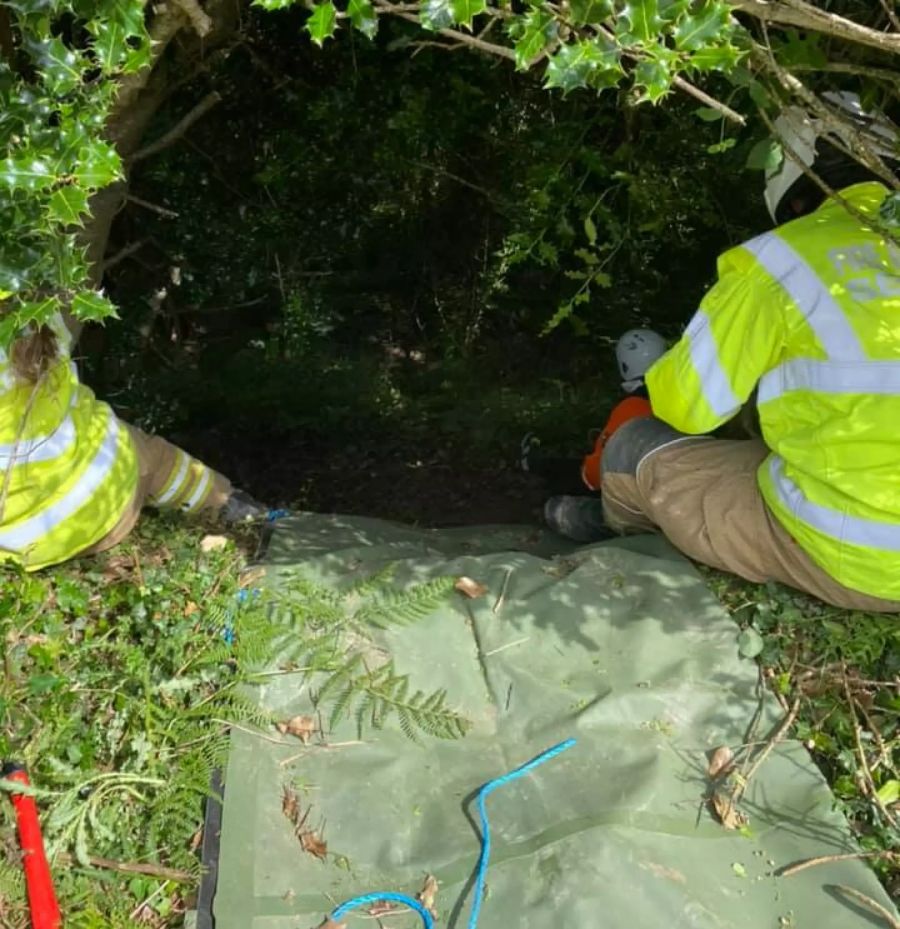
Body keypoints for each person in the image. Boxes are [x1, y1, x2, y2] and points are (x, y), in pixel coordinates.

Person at [544, 91, 900, 611]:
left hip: (864, 559)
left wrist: (669, 375)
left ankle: (616, 527)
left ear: (794, 196)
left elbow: (687, 408)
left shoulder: (781, 261)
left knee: (632, 443)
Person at [0, 309, 265, 572]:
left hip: (24, 549)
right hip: (110, 500)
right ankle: (227, 504)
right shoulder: (31, 311)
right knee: (153, 455)